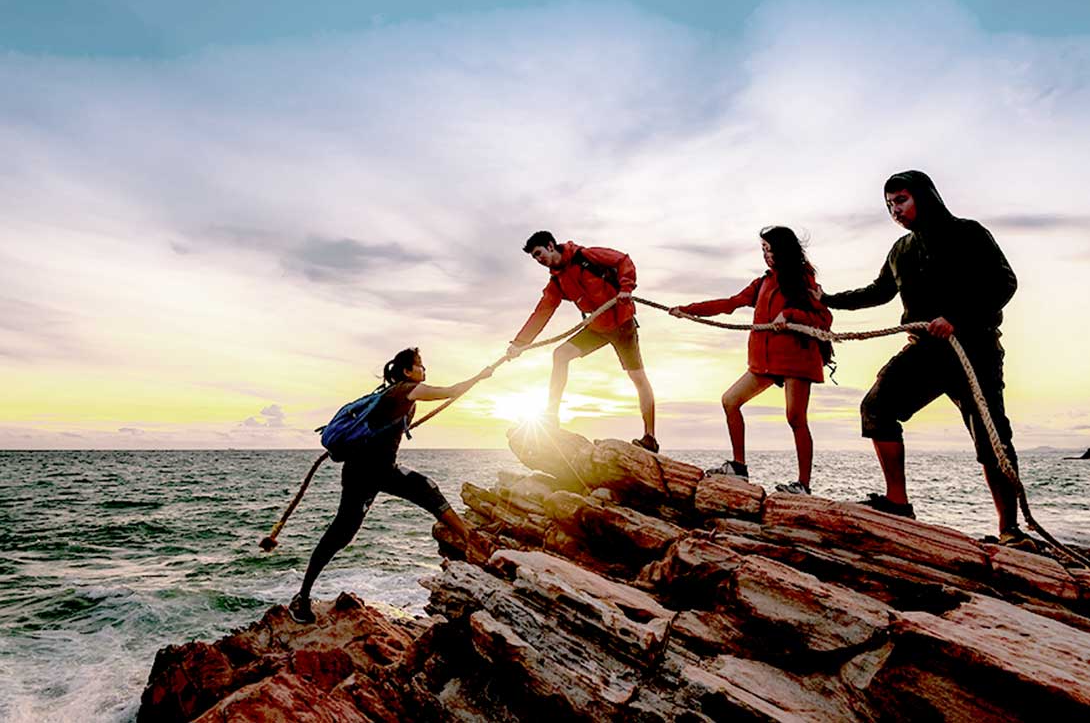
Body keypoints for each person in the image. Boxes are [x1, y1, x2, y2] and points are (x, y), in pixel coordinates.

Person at [816, 170, 1027, 546]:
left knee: (991, 436)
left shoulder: (969, 233)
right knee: (877, 406)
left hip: (974, 350)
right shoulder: (901, 250)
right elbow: (877, 292)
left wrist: (956, 319)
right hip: (925, 353)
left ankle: (1009, 530)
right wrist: (826, 299)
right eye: (889, 204)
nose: (894, 210)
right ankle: (898, 503)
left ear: (924, 196)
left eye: (901, 200)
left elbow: (1004, 282)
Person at [288, 348, 492, 624]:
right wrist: (479, 377)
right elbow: (449, 390)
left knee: (426, 489)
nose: (424, 371)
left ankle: (473, 540)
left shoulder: (396, 394)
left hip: (381, 470)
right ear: (407, 371)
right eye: (420, 366)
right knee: (341, 533)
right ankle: (302, 597)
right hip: (363, 474)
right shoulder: (405, 390)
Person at [670, 226, 832, 495]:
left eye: (770, 249)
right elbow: (730, 303)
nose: (766, 256)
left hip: (797, 358)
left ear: (784, 249)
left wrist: (791, 314)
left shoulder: (805, 279)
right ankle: (739, 468)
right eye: (763, 250)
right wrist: (690, 310)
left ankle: (803, 485)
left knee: (795, 418)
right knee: (730, 401)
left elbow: (824, 320)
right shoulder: (763, 282)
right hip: (765, 362)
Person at [506, 230, 659, 452]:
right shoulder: (557, 281)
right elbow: (542, 311)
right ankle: (551, 419)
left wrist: (626, 287)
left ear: (550, 245)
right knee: (560, 355)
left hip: (622, 324)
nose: (539, 260)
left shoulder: (586, 256)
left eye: (539, 253)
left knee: (638, 378)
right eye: (534, 257)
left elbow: (623, 260)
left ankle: (650, 437)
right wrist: (519, 343)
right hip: (596, 327)